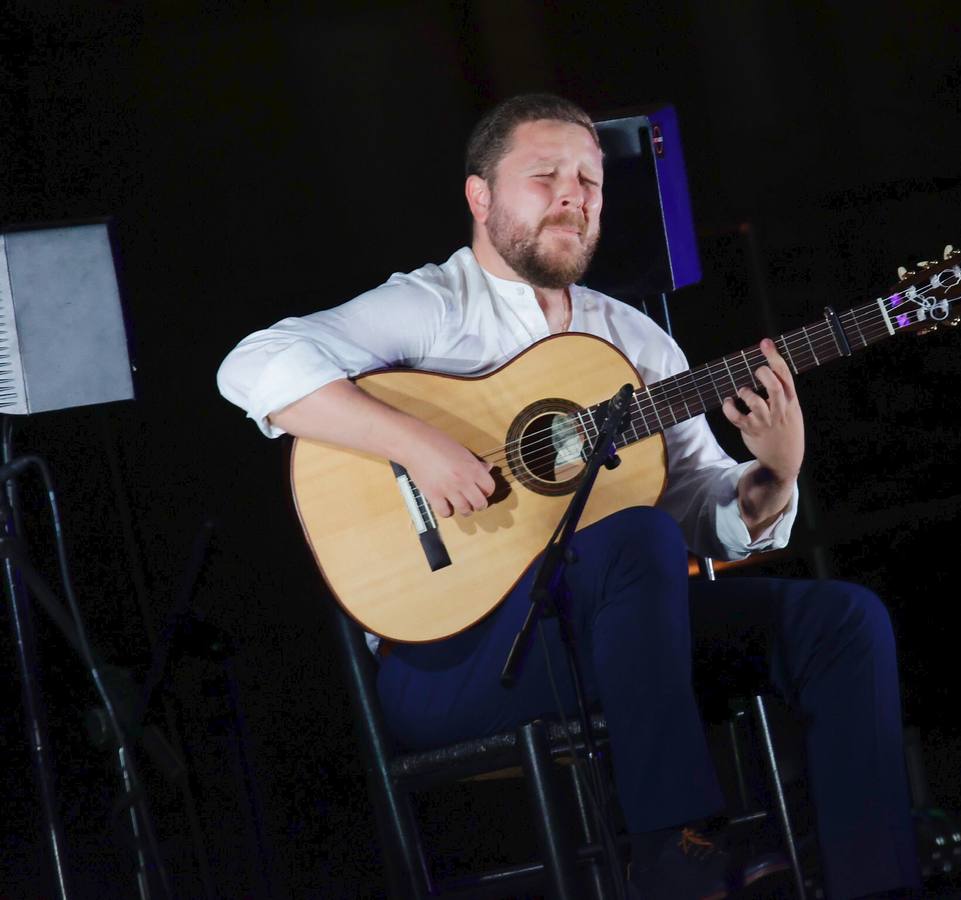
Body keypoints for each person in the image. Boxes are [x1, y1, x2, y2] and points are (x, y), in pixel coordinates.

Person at [218, 93, 920, 899]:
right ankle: (676, 851)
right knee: (638, 542)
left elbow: (706, 513)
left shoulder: (633, 341)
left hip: (620, 633)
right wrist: (419, 445)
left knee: (842, 621)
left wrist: (774, 475)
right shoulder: (434, 306)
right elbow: (251, 365)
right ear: (481, 198)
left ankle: (878, 886)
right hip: (457, 659)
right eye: (545, 175)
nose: (573, 195)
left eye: (589, 180)